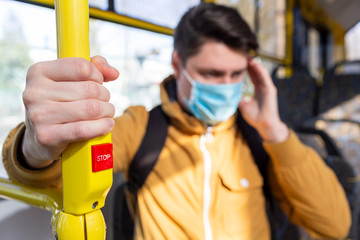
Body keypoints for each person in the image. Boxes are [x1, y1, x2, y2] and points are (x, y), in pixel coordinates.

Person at [2, 3, 350, 240]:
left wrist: (274, 130)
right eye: (212, 74)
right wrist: (35, 147)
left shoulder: (260, 138)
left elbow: (335, 224)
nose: (226, 86)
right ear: (177, 65)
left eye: (236, 74)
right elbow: (63, 172)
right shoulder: (142, 127)